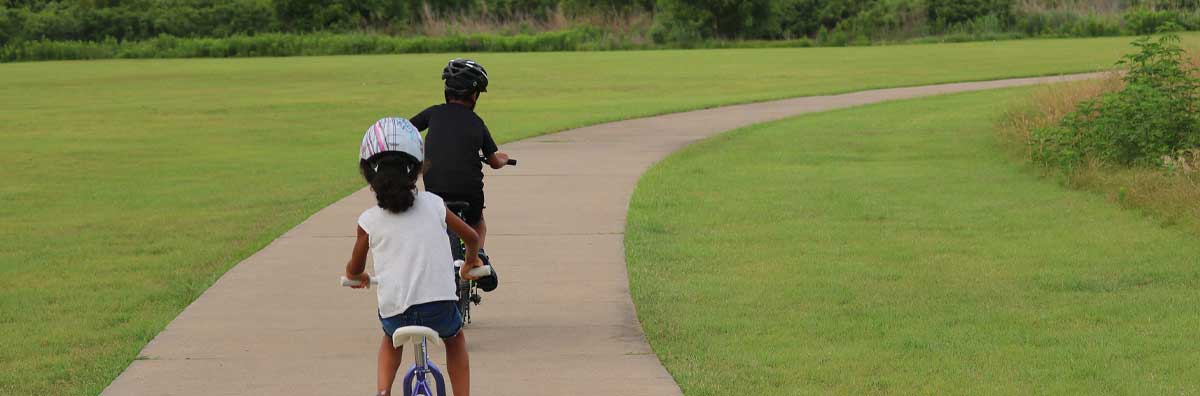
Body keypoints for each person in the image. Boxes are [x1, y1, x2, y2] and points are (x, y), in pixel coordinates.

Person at [344, 117, 484, 396]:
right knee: (454, 340)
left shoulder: (368, 221)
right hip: (440, 307)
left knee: (390, 341)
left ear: (369, 176)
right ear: (416, 168)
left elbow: (354, 269)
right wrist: (470, 261)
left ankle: (383, 391)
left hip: (397, 310)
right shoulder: (434, 204)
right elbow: (471, 237)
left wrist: (357, 277)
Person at [410, 58, 511, 249]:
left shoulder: (433, 113)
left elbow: (407, 128)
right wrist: (503, 159)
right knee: (478, 221)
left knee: (437, 220)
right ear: (474, 96)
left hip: (435, 190)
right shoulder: (477, 122)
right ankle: (477, 258)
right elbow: (495, 162)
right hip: (469, 193)